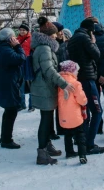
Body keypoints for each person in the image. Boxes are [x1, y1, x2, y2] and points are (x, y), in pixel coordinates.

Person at [30, 17, 74, 165]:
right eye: (54, 34)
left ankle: (46, 145)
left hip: (45, 88)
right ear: (49, 35)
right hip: (44, 89)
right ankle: (42, 152)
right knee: (45, 121)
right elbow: (48, 70)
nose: (57, 35)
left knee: (47, 120)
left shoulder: (44, 47)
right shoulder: (44, 48)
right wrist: (64, 83)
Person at [68, 18, 104, 154]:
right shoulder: (85, 38)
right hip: (87, 78)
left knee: (84, 111)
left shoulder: (73, 38)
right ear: (91, 30)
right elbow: (96, 55)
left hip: (78, 77)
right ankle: (89, 144)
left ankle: (81, 139)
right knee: (97, 111)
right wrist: (94, 43)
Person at [0, 27, 27, 149]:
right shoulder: (6, 50)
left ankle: (4, 137)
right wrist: (18, 46)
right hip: (9, 84)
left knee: (8, 111)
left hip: (5, 82)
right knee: (11, 111)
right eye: (14, 37)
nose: (16, 39)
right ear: (9, 39)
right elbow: (21, 58)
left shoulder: (0, 48)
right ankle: (7, 139)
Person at [57, 60, 89, 165]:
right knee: (80, 135)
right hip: (75, 116)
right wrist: (85, 101)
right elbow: (81, 99)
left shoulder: (59, 82)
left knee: (67, 135)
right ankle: (82, 155)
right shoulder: (75, 83)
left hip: (63, 116)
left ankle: (69, 152)